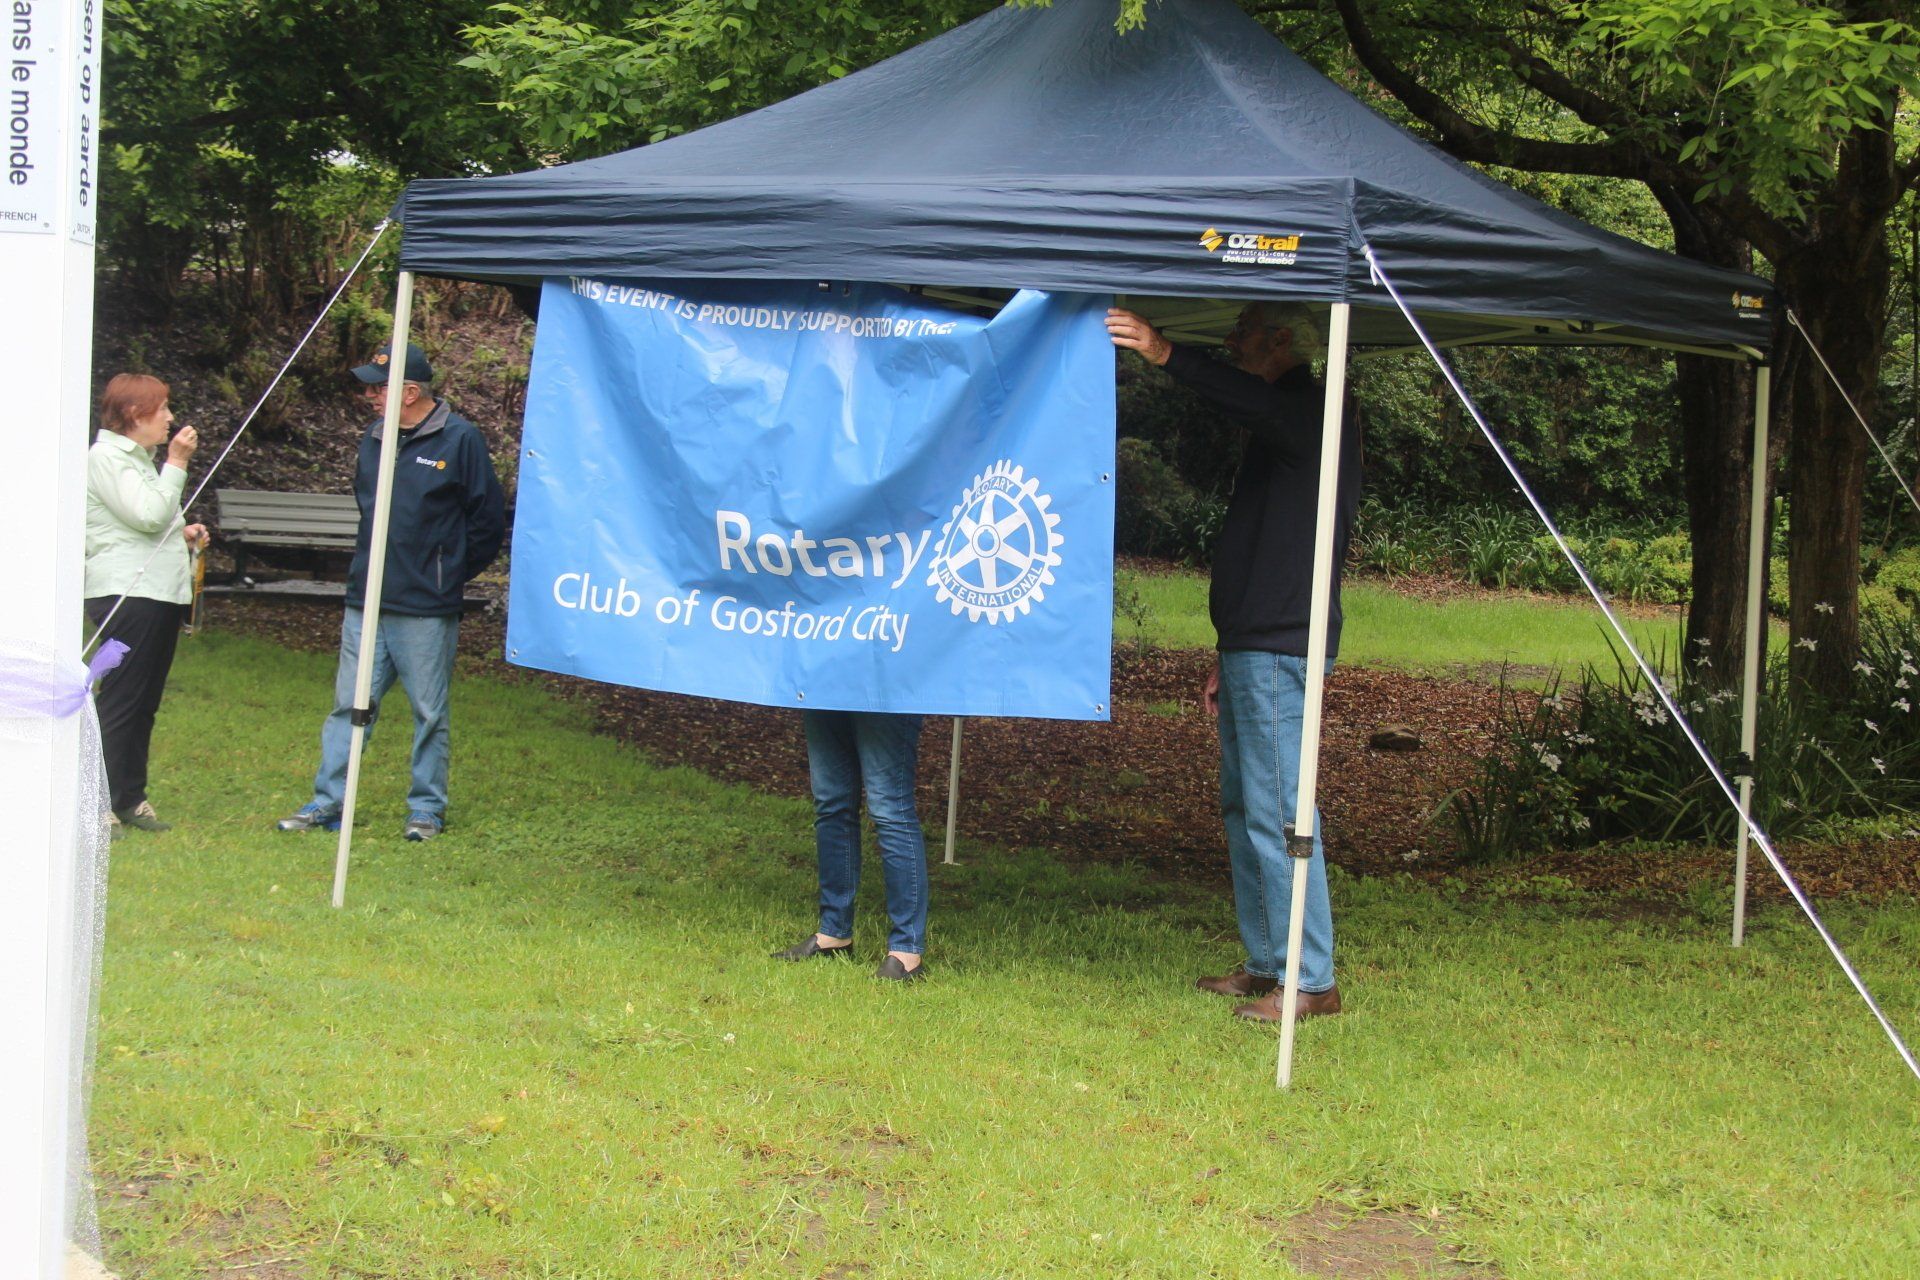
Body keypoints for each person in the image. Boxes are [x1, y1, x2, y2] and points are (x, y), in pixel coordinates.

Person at [1106, 301, 1361, 1021]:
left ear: (1281, 341)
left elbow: (1243, 398)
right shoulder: (1287, 413)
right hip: (1254, 642)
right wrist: (1226, 649)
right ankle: (1267, 962)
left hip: (1283, 643)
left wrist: (1166, 353)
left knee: (1281, 810)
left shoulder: (1313, 407)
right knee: (1246, 806)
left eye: (1243, 331)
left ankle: (1310, 980)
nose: (1230, 339)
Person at [276, 342, 506, 841]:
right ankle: (327, 802)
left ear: (410, 391)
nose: (369, 397)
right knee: (348, 705)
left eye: (378, 388)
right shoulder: (375, 437)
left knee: (428, 712)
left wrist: (447, 571)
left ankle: (426, 810)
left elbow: (487, 521)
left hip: (425, 605)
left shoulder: (460, 439)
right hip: (367, 598)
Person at [85, 374, 210, 836]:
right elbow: (147, 514)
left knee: (144, 703)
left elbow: (150, 521)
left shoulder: (137, 462)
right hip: (125, 595)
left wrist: (183, 534)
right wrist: (177, 461)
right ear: (136, 414)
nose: (170, 418)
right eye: (163, 409)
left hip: (156, 595)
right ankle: (95, 804)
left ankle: (129, 798)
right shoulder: (107, 458)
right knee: (120, 700)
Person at [772, 711, 931, 981]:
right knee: (831, 802)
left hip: (886, 683)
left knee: (889, 808)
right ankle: (834, 933)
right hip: (827, 681)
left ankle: (907, 953)